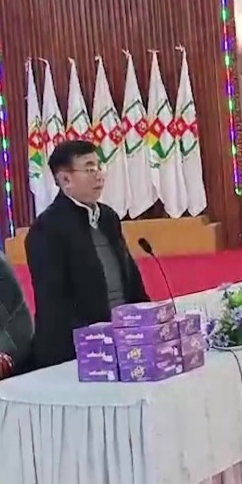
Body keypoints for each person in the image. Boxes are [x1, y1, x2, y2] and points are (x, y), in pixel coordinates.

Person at [26, 140, 149, 368]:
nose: (99, 175)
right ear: (65, 179)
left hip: (125, 339)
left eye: (99, 167)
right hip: (78, 352)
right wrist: (97, 342)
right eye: (89, 169)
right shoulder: (47, 229)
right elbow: (54, 305)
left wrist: (149, 321)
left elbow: (131, 281)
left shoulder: (108, 217)